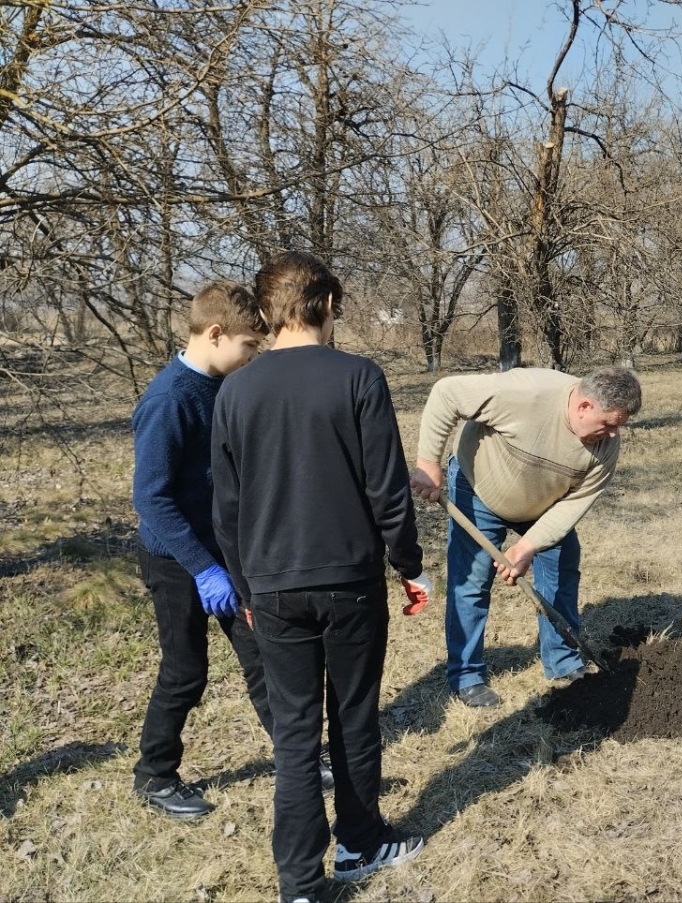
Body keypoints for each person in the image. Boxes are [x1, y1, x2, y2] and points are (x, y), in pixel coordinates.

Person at [212, 251, 431, 902]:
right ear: (327, 305)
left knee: (296, 733)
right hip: (350, 581)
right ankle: (360, 843)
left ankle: (301, 885)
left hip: (273, 587)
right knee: (355, 717)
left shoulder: (235, 390)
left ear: (269, 311)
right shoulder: (359, 377)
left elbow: (226, 510)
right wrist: (409, 566)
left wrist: (246, 589)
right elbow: (388, 491)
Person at [131, 279, 294, 820]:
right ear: (218, 334)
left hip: (223, 550)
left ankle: (295, 757)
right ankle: (155, 773)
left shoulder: (221, 387)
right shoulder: (169, 399)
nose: (252, 357)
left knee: (260, 652)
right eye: (249, 345)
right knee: (185, 670)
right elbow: (151, 498)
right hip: (177, 559)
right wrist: (202, 569)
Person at [410, 366, 642, 708]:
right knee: (471, 582)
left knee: (561, 574)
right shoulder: (525, 394)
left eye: (618, 427)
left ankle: (563, 664)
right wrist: (428, 462)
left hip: (545, 505)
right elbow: (447, 393)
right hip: (479, 487)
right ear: (583, 407)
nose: (611, 435)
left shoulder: (606, 446)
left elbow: (575, 504)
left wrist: (528, 545)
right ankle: (467, 676)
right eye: (608, 424)